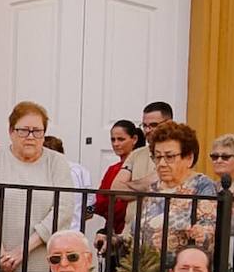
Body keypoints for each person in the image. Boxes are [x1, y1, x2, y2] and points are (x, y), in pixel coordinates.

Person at [0, 102, 74, 272]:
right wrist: (2, 255)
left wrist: (20, 253)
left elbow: (63, 210)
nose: (30, 136)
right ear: (11, 131)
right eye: (23, 130)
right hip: (0, 266)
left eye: (37, 131)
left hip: (42, 269)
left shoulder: (57, 162)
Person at [123, 121, 219, 260]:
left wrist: (197, 232)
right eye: (158, 157)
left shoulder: (201, 186)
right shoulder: (153, 189)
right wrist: (114, 240)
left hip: (182, 271)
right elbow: (136, 234)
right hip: (146, 270)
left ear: (189, 158)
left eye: (169, 157)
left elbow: (207, 233)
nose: (162, 164)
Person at [93, 120, 144, 239]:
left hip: (133, 229)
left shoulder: (141, 167)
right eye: (113, 139)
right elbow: (100, 202)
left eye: (121, 139)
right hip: (113, 229)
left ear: (134, 139)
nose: (116, 144)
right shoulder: (112, 169)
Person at [111, 101, 174, 194]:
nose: (147, 130)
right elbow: (116, 189)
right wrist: (149, 183)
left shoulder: (178, 154)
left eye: (154, 125)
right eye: (145, 126)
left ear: (169, 123)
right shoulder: (136, 154)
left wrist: (130, 186)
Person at [41, 136, 93, 232]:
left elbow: (90, 205)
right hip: (73, 232)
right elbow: (90, 205)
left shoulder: (77, 171)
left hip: (58, 233)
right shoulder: (81, 170)